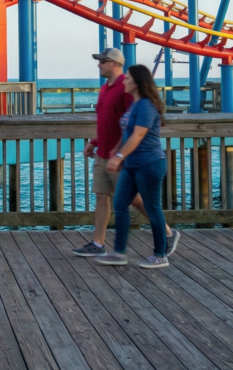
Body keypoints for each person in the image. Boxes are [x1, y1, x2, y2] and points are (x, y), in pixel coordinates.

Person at [75, 48, 178, 259]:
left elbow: (134, 126)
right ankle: (99, 243)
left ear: (114, 63)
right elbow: (105, 120)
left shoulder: (128, 89)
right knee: (102, 196)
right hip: (104, 153)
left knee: (136, 200)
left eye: (102, 61)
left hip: (123, 157)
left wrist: (120, 154)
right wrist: (93, 142)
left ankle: (166, 233)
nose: (98, 65)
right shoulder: (104, 89)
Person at [99, 64, 171, 268]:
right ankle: (118, 253)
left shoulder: (147, 105)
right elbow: (128, 132)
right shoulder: (135, 104)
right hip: (132, 164)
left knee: (152, 207)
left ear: (138, 82)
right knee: (121, 205)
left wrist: (119, 156)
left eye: (129, 78)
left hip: (149, 163)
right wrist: (117, 149)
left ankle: (160, 255)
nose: (125, 81)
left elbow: (139, 134)